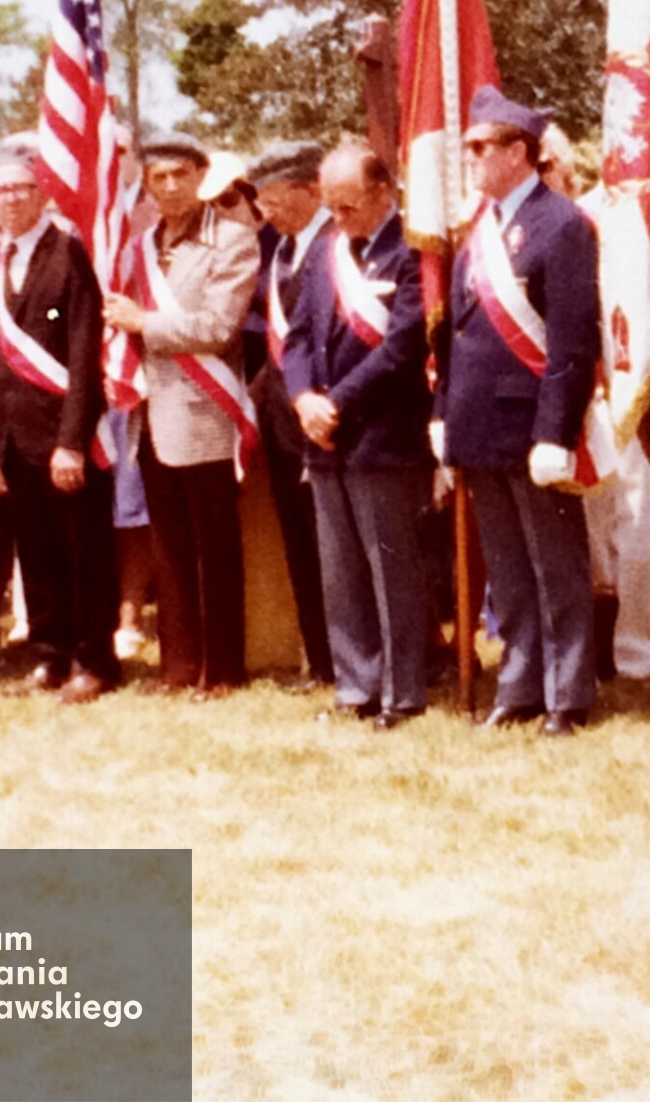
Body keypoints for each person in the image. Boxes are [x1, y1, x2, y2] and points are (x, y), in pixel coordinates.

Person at [435, 86, 602, 734]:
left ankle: (568, 694)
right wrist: (443, 411)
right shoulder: (479, 229)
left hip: (533, 424)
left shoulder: (563, 223)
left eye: (481, 147)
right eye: (469, 147)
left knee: (556, 565)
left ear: (519, 151)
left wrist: (556, 430)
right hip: (480, 424)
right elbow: (454, 334)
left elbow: (570, 340)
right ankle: (521, 684)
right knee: (507, 570)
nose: (471, 157)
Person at [287, 141, 437, 729]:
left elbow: (403, 346)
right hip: (324, 437)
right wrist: (303, 398)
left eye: (348, 206)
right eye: (332, 206)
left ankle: (402, 692)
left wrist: (337, 403)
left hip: (381, 432)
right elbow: (298, 337)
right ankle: (356, 686)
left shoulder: (410, 252)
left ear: (382, 193)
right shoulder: (327, 254)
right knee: (341, 569)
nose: (339, 219)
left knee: (390, 566)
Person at [104, 132, 259, 697]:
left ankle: (221, 670)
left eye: (180, 175)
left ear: (201, 177)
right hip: (149, 411)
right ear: (146, 184)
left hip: (204, 408)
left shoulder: (234, 241)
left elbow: (219, 328)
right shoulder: (140, 245)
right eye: (158, 178)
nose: (170, 187)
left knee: (212, 545)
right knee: (167, 544)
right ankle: (176, 667)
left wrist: (143, 323)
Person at [0, 147, 120, 703]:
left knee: (84, 554)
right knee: (36, 557)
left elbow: (84, 352)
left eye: (22, 188)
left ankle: (95, 659)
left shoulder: (70, 254)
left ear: (42, 193)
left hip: (63, 436)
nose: (11, 198)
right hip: (14, 439)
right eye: (0, 190)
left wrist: (72, 441)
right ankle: (52, 655)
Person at [245, 140, 336, 692]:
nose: (267, 211)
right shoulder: (283, 248)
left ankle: (351, 660)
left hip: (325, 415)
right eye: (262, 201)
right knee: (301, 547)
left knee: (336, 551)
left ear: (308, 189)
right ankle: (321, 661)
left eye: (275, 198)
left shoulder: (333, 243)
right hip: (281, 417)